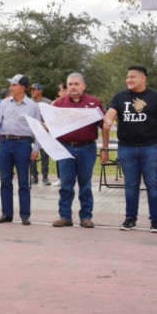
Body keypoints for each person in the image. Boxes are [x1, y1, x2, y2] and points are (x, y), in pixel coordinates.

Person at [101, 65, 157, 232]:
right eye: (127, 77)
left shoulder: (156, 97)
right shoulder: (120, 96)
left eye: (132, 77)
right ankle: (130, 218)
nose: (128, 80)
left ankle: (155, 221)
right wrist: (108, 120)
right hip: (126, 148)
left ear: (143, 78)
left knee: (153, 185)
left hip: (151, 148)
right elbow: (110, 113)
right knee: (130, 185)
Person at [51, 73, 103, 228]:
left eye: (76, 84)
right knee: (66, 184)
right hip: (65, 148)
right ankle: (65, 216)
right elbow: (52, 125)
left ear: (83, 86)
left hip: (87, 147)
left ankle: (86, 217)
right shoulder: (59, 104)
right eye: (70, 84)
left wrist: (105, 147)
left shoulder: (94, 103)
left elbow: (104, 125)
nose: (73, 87)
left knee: (85, 184)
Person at [0, 74, 40, 225]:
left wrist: (36, 148)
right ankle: (6, 213)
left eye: (14, 85)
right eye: (10, 85)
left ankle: (25, 214)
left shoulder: (32, 106)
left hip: (22, 144)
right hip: (4, 143)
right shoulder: (4, 103)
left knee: (23, 181)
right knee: (5, 180)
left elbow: (37, 129)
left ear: (23, 87)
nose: (11, 88)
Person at [29, 83, 52, 185]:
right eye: (31, 90)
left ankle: (45, 176)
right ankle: (34, 176)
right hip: (31, 133)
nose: (32, 91)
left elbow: (51, 117)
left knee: (44, 156)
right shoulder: (28, 102)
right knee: (31, 155)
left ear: (40, 90)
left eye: (35, 89)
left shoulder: (47, 102)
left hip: (44, 133)